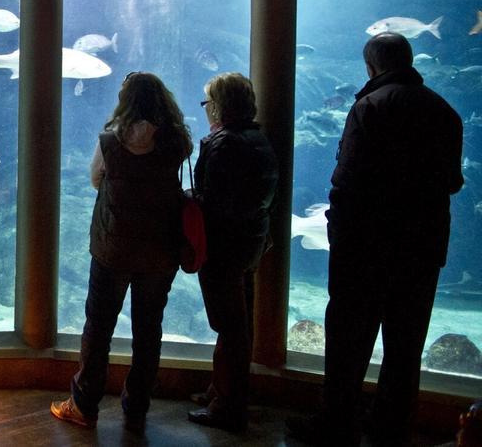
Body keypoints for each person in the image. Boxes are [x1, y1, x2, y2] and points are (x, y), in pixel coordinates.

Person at [287, 33, 464, 447]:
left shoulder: (370, 107)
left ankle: (336, 424)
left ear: (371, 67)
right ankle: (390, 428)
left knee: (349, 342)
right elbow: (453, 183)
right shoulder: (445, 112)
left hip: (365, 251)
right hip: (421, 251)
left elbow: (345, 182)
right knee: (405, 347)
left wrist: (340, 235)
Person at [51, 72, 192, 434]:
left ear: (125, 99)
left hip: (113, 248)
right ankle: (137, 404)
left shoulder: (110, 139)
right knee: (149, 328)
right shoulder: (176, 139)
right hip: (160, 250)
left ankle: (84, 404)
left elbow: (96, 178)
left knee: (98, 327)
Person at [186, 72, 278, 431]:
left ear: (220, 105)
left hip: (223, 247)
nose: (206, 109)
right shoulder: (258, 139)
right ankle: (220, 391)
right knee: (239, 323)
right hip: (251, 243)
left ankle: (227, 404)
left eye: (208, 101)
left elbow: (216, 202)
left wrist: (189, 203)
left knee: (229, 325)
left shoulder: (223, 143)